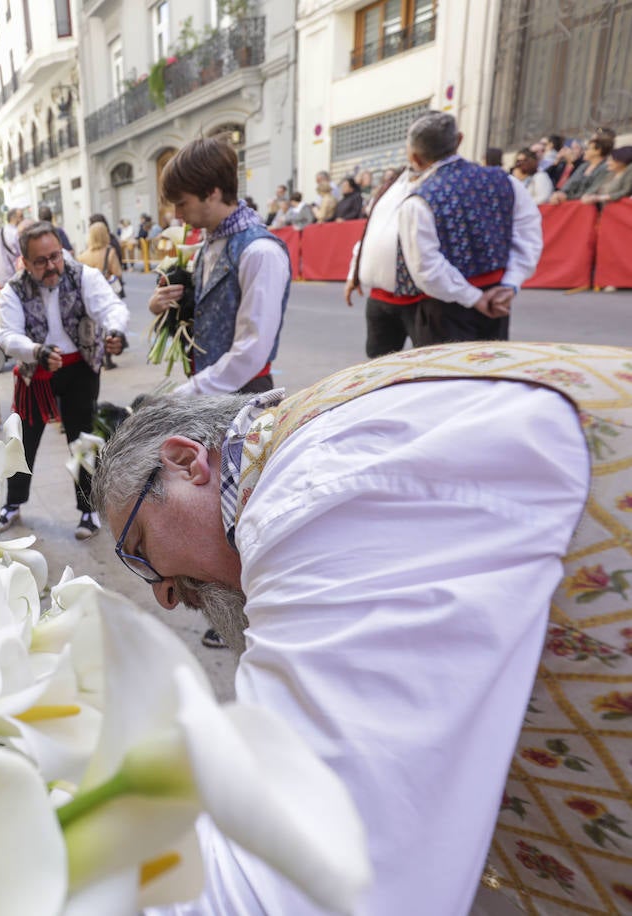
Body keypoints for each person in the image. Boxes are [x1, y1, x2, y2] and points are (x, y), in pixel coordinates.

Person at [95, 341, 632, 915]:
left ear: (185, 462)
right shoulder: (306, 451)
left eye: (141, 548)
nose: (165, 595)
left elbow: (319, 881)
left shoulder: (309, 496)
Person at [145, 137, 291, 649]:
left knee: (243, 510)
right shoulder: (211, 242)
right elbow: (210, 316)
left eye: (183, 204)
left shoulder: (259, 251)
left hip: (242, 395)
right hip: (212, 395)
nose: (179, 215)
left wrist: (191, 391)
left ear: (212, 192)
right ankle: (226, 608)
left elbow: (251, 349)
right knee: (214, 509)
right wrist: (169, 305)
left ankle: (258, 614)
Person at [345, 111, 542, 350]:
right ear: (459, 139)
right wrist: (509, 285)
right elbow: (528, 235)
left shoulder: (419, 199)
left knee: (446, 378)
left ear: (414, 156)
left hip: (444, 305)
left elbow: (427, 268)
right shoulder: (506, 181)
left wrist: (478, 298)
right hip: (495, 299)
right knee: (488, 374)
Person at [0, 221, 129, 540]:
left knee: (82, 440)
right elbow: (7, 335)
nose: (51, 266)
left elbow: (111, 307)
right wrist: (35, 351)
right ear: (25, 262)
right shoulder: (13, 289)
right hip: (36, 371)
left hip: (80, 367)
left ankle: (88, 509)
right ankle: (13, 503)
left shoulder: (84, 275)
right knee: (24, 438)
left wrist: (115, 332)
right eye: (40, 261)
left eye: (55, 256)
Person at [552, 130, 613, 203]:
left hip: (590, 205)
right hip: (572, 202)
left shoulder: (605, 168)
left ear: (598, 151)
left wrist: (567, 197)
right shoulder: (584, 166)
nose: (584, 151)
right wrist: (560, 194)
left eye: (588, 149)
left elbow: (593, 191)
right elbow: (570, 183)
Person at [0, 207, 24, 285]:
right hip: (16, 279)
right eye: (21, 216)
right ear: (14, 218)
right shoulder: (16, 233)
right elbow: (23, 255)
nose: (23, 219)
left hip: (2, 279)